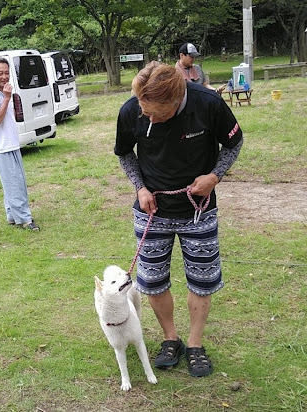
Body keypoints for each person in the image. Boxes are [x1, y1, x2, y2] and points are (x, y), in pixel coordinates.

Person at [114, 61, 243, 377]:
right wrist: (140, 187)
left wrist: (214, 176)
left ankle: (196, 344)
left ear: (178, 97)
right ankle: (171, 338)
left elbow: (234, 143)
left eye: (157, 115)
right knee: (153, 280)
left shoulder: (208, 104)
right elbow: (124, 153)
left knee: (201, 280)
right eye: (145, 112)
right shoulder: (132, 109)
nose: (149, 119)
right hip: (151, 210)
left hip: (198, 210)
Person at [0, 57, 40, 231]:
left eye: (7, 73)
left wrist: (7, 96)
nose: (4, 76)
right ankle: (25, 219)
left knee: (14, 182)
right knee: (15, 183)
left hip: (11, 144)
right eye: (0, 73)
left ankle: (12, 216)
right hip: (2, 146)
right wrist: (7, 98)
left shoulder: (2, 92)